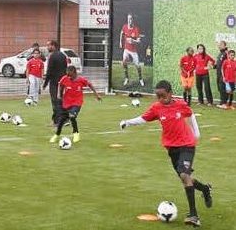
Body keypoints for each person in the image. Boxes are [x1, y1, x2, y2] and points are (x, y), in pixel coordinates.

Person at [120, 80, 213, 227]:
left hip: (187, 145)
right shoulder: (157, 108)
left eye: (163, 95)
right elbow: (143, 118)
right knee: (185, 178)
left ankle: (194, 215)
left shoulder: (181, 104)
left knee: (184, 175)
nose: (161, 99)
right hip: (172, 149)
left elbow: (191, 114)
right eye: (158, 96)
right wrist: (128, 122)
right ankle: (205, 189)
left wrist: (196, 134)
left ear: (170, 93)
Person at [49, 65, 102, 144]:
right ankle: (56, 135)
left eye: (69, 72)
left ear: (73, 72)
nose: (67, 74)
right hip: (66, 103)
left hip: (77, 102)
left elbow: (90, 85)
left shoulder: (81, 80)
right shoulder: (65, 78)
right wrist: (59, 95)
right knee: (62, 120)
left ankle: (76, 133)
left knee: (72, 116)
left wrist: (96, 95)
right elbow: (61, 85)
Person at [42, 39, 66, 127]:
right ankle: (61, 120)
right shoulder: (63, 55)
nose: (47, 47)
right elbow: (65, 70)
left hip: (54, 83)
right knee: (61, 101)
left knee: (55, 102)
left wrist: (45, 84)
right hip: (62, 83)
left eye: (48, 45)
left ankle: (58, 121)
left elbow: (49, 72)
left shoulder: (52, 56)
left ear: (53, 46)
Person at [120, 13, 144, 87]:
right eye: (128, 19)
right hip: (126, 49)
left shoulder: (136, 29)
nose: (129, 20)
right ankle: (126, 78)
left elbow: (139, 41)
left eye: (131, 19)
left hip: (133, 51)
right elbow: (121, 33)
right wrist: (120, 42)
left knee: (138, 66)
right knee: (124, 63)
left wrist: (133, 41)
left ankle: (140, 79)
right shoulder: (124, 26)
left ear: (133, 20)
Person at [214, 41, 228, 108]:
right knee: (220, 88)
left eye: (221, 45)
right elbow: (218, 64)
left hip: (223, 74)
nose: (219, 46)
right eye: (219, 45)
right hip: (218, 74)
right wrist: (213, 66)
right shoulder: (220, 53)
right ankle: (222, 102)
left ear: (225, 46)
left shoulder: (226, 53)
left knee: (223, 88)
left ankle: (224, 103)